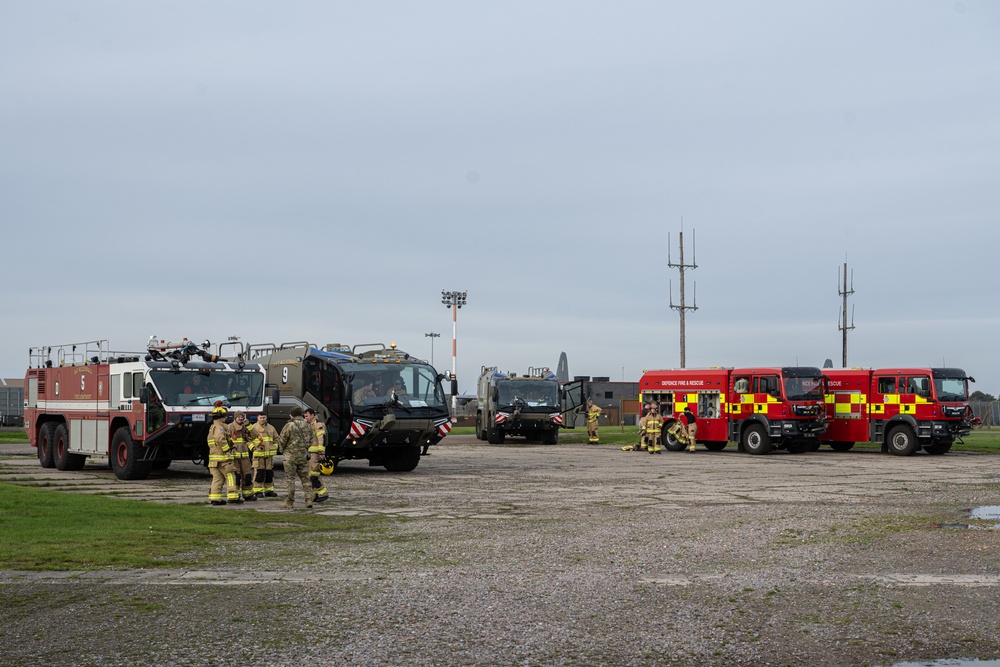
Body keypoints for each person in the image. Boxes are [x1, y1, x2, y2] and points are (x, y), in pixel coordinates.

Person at [275, 406, 314, 509]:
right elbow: (311, 440)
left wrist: (282, 450)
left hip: (290, 456)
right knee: (306, 479)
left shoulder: (289, 425)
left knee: (290, 480)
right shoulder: (308, 425)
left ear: (291, 415)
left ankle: (289, 502)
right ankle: (309, 499)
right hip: (303, 456)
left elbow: (282, 440)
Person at [206, 404, 240, 505]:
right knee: (230, 476)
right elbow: (220, 439)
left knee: (217, 478)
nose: (225, 418)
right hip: (223, 459)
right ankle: (233, 497)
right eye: (224, 416)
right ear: (221, 417)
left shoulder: (212, 427)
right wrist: (227, 450)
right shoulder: (219, 428)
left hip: (214, 460)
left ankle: (215, 499)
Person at [226, 411, 256, 501]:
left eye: (242, 417)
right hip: (234, 457)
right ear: (235, 418)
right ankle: (235, 495)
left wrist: (249, 426)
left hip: (245, 458)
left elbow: (255, 435)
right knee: (237, 476)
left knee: (247, 476)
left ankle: (248, 494)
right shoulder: (230, 427)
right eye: (238, 417)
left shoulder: (245, 426)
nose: (240, 418)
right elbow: (226, 440)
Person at [248, 413, 278, 498]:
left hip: (269, 456)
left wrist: (274, 447)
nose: (262, 419)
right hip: (258, 456)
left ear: (266, 418)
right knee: (259, 474)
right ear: (258, 418)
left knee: (269, 474)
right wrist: (253, 448)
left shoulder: (271, 428)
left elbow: (277, 439)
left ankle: (269, 490)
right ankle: (257, 491)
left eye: (264, 417)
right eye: (261, 418)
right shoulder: (253, 428)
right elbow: (248, 440)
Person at [303, 408, 329, 503]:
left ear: (313, 415)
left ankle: (323, 493)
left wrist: (321, 452)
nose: (305, 418)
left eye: (307, 416)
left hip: (316, 454)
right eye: (304, 416)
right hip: (310, 454)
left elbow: (321, 438)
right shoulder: (309, 424)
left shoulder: (318, 424)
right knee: (310, 475)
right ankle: (315, 494)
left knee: (314, 475)